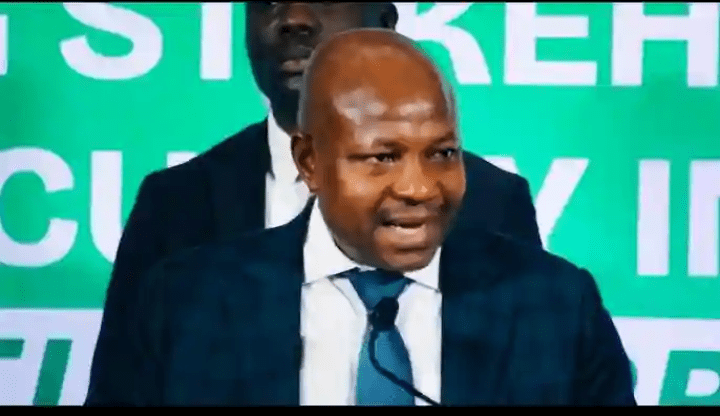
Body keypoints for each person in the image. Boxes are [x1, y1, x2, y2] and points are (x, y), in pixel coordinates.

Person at [103, 29, 635, 406]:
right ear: (310, 162)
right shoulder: (184, 304)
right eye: (382, 157)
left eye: (442, 153)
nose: (419, 188)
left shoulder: (557, 307)